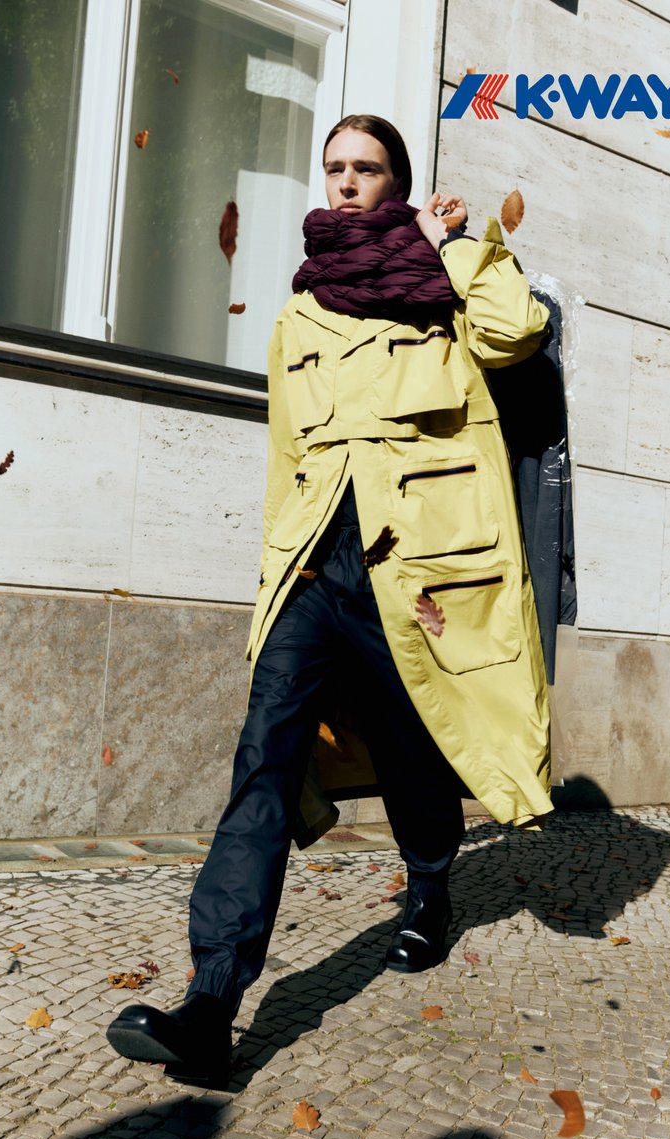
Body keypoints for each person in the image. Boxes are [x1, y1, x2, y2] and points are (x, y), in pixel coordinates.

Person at [106, 114, 552, 1087]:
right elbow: (286, 460)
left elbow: (517, 333)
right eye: (335, 168)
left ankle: (429, 890)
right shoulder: (300, 312)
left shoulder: (444, 286)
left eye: (367, 169)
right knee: (260, 764)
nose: (346, 182)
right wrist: (273, 583)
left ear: (394, 183)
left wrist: (455, 247)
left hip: (416, 579)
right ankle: (210, 1007)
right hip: (315, 571)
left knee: (408, 754)